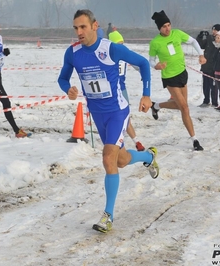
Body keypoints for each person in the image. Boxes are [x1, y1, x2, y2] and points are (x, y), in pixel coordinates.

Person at [57, 9, 159, 233]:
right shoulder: (73, 53)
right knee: (120, 160)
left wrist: (146, 95)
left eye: (83, 27)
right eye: (75, 28)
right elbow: (62, 78)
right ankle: (148, 156)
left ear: (95, 25)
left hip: (117, 111)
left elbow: (142, 63)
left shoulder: (110, 48)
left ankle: (108, 216)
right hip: (98, 114)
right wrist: (69, 89)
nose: (79, 32)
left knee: (107, 158)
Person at [149, 10, 206, 151]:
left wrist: (201, 54)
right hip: (169, 77)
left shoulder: (177, 34)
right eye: (164, 26)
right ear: (159, 28)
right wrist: (156, 66)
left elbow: (193, 41)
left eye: (168, 25)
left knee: (182, 105)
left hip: (182, 73)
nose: (167, 28)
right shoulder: (155, 42)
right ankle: (195, 140)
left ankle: (156, 106)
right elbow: (151, 60)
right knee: (185, 108)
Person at [108, 27, 145, 151]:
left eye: (123, 43)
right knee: (114, 117)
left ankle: (136, 141)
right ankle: (117, 140)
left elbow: (139, 65)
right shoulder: (108, 55)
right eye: (119, 43)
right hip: (111, 91)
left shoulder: (125, 54)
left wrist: (144, 74)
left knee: (125, 116)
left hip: (122, 90)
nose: (122, 46)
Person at [196, 24, 220, 107]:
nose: (214, 32)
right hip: (206, 66)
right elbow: (201, 45)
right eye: (213, 30)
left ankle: (214, 102)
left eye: (215, 30)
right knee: (205, 85)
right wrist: (200, 37)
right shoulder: (209, 38)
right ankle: (206, 100)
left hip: (214, 68)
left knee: (213, 86)